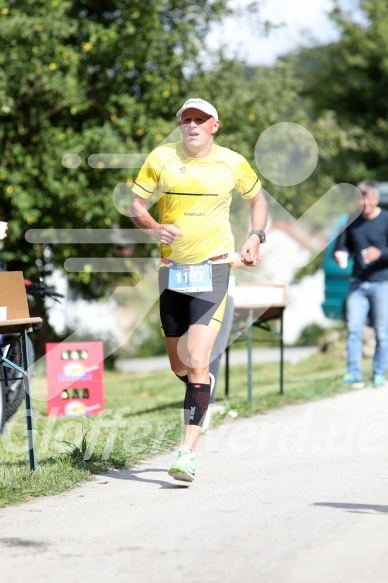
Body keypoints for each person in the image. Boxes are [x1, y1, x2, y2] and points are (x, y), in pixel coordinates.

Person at [130, 97, 268, 482]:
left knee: (198, 358)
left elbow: (257, 199)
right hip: (172, 270)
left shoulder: (232, 162)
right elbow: (136, 206)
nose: (191, 125)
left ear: (214, 126)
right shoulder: (160, 157)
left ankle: (187, 451)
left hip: (214, 269)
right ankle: (200, 396)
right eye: (186, 119)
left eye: (200, 119)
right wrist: (154, 228)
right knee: (179, 363)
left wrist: (255, 236)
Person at [334, 179, 388, 389]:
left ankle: (378, 373)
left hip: (382, 283)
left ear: (376, 199)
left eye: (369, 198)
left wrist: (380, 253)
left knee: (382, 332)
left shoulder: (385, 219)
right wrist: (341, 255)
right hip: (357, 283)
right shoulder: (351, 220)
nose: (365, 203)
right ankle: (354, 374)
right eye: (362, 199)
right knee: (354, 329)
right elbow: (343, 248)